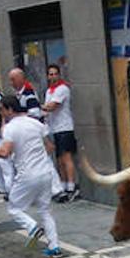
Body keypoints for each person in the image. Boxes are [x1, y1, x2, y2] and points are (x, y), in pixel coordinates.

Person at [0, 95, 62, 258]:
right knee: (45, 210)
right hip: (45, 172)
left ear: (10, 109)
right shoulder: (35, 123)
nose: (0, 113)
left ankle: (32, 227)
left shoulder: (10, 129)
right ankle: (54, 247)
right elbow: (50, 147)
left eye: (2, 110)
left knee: (14, 207)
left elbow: (4, 153)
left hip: (27, 174)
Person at [42, 64, 78, 201]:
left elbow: (52, 106)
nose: (53, 76)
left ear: (59, 75)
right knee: (59, 160)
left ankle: (71, 187)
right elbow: (47, 109)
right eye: (50, 74)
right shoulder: (49, 91)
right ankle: (62, 186)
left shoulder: (63, 89)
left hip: (65, 128)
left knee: (66, 158)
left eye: (55, 74)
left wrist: (37, 108)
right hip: (54, 129)